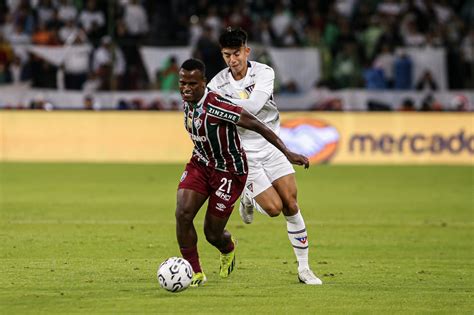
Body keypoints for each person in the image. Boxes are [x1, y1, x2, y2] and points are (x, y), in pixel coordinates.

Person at [176, 58, 309, 287]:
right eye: (182, 83)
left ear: (204, 83)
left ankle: (228, 248)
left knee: (212, 233)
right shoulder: (188, 101)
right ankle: (195, 273)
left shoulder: (218, 106)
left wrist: (287, 153)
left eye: (192, 84)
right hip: (200, 163)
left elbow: (257, 125)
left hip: (229, 172)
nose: (186, 88)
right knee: (183, 214)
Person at [207, 28, 322, 285]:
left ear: (246, 51)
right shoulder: (216, 83)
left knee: (291, 204)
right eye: (227, 55)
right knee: (274, 209)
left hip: (272, 146)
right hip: (243, 153)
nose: (232, 60)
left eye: (237, 53)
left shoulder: (264, 72)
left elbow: (254, 108)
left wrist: (223, 104)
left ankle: (304, 269)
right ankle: (247, 196)